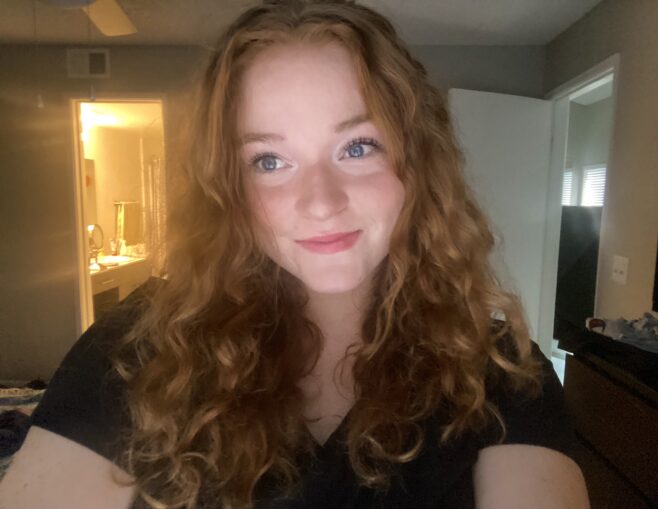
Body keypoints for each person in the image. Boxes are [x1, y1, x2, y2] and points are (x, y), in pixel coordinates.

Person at [0, 1, 590, 508]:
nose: (320, 202)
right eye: (268, 161)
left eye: (358, 147)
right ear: (225, 187)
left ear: (419, 164)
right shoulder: (136, 350)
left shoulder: (501, 372)